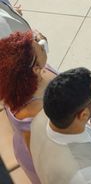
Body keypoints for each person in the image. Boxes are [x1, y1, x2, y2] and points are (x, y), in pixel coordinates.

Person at [0, 31, 56, 184]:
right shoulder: (37, 116)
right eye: (41, 46)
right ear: (35, 70)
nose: (41, 42)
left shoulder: (16, 85)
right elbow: (49, 163)